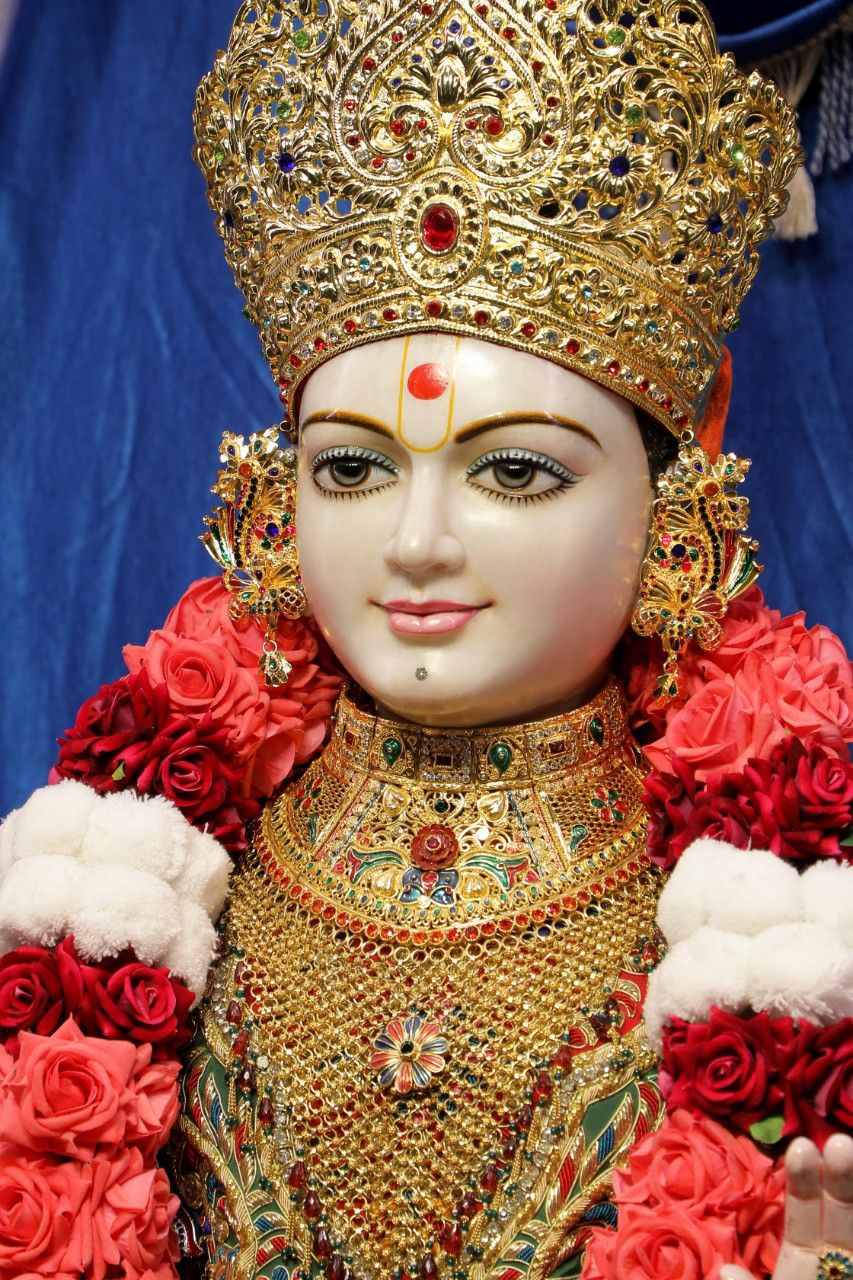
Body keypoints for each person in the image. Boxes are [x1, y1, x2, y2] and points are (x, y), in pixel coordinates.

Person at [0, 1, 850, 1279]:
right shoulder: (136, 878)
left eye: (513, 470)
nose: (415, 540)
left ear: (679, 478)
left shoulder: (785, 929)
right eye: (350, 466)